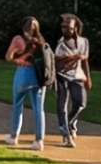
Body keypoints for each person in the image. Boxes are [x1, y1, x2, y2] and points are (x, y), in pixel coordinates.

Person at [5, 17, 53, 149]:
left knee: (18, 104)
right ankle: (39, 140)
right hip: (38, 76)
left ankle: (14, 136)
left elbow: (8, 56)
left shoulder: (18, 40)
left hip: (23, 73)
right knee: (39, 108)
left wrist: (16, 55)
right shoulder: (41, 41)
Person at [51, 14, 92, 148]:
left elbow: (84, 60)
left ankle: (70, 123)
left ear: (75, 29)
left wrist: (88, 78)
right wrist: (71, 58)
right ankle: (66, 135)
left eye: (68, 28)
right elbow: (56, 59)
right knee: (62, 106)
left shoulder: (83, 42)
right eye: (63, 27)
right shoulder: (60, 43)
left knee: (81, 103)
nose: (64, 30)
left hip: (77, 76)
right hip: (62, 76)